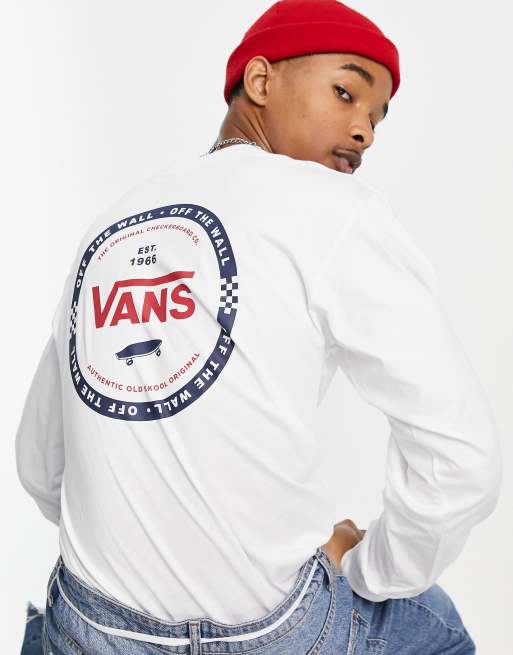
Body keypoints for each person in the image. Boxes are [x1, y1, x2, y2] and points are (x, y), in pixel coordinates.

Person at [16, 1, 502, 653]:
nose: (364, 131)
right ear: (261, 80)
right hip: (273, 634)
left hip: (92, 629)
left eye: (377, 116)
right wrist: (370, 568)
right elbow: (460, 456)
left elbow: (40, 463)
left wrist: (142, 557)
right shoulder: (330, 207)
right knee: (432, 624)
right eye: (346, 92)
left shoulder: (112, 225)